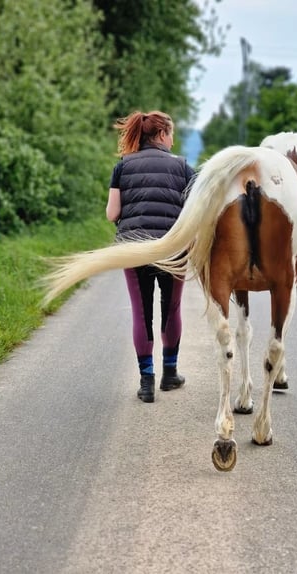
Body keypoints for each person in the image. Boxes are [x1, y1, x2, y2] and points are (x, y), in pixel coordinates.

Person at [106, 110, 196, 403]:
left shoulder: (123, 165)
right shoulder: (183, 166)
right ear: (161, 135)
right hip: (173, 248)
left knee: (141, 313)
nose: (172, 140)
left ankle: (147, 384)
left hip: (134, 248)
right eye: (171, 134)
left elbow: (112, 214)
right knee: (171, 309)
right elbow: (195, 213)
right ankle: (170, 375)